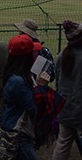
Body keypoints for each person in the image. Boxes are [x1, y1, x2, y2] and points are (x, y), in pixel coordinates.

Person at [0, 34, 50, 160]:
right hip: (19, 134)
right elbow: (35, 110)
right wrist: (41, 87)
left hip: (16, 128)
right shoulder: (18, 81)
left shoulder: (16, 74)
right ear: (27, 57)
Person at [52, 20, 82, 160]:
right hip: (78, 107)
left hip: (64, 106)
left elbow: (58, 82)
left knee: (63, 143)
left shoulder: (61, 56)